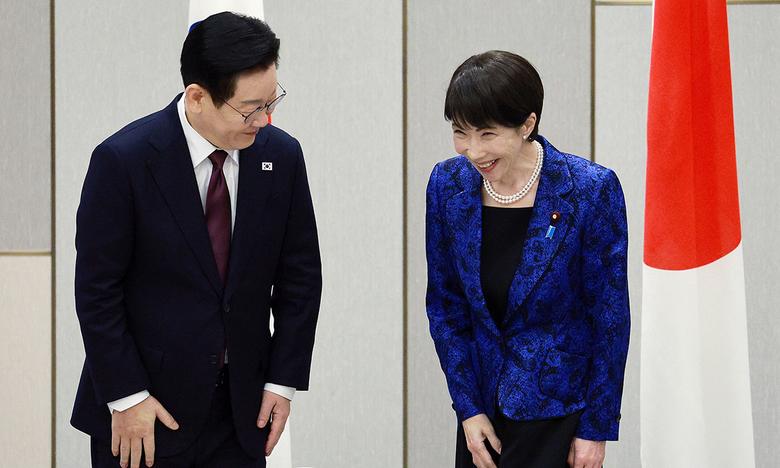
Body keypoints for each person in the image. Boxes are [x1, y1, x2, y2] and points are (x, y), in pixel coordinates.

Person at [71, 12, 322, 468]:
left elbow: (301, 278)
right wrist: (127, 396)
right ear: (198, 97)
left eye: (272, 101)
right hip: (146, 412)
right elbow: (96, 290)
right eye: (250, 108)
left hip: (240, 414)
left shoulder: (282, 157)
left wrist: (281, 381)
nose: (265, 119)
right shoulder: (124, 161)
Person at [425, 50, 630, 468]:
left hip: (560, 416)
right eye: (461, 132)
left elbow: (609, 319)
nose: (473, 151)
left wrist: (595, 428)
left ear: (527, 124)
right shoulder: (447, 185)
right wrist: (468, 408)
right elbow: (446, 306)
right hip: (483, 417)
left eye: (487, 134)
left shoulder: (590, 190)